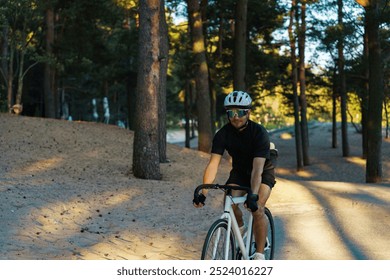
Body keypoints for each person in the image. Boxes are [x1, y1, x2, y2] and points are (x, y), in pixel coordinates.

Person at [193, 90, 276, 260]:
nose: (236, 117)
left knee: (257, 206)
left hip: (262, 170)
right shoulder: (223, 134)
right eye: (231, 112)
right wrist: (204, 193)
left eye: (240, 112)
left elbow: (257, 170)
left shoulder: (259, 133)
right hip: (239, 171)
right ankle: (240, 228)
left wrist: (252, 195)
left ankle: (259, 255)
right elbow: (213, 164)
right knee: (228, 202)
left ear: (248, 113)